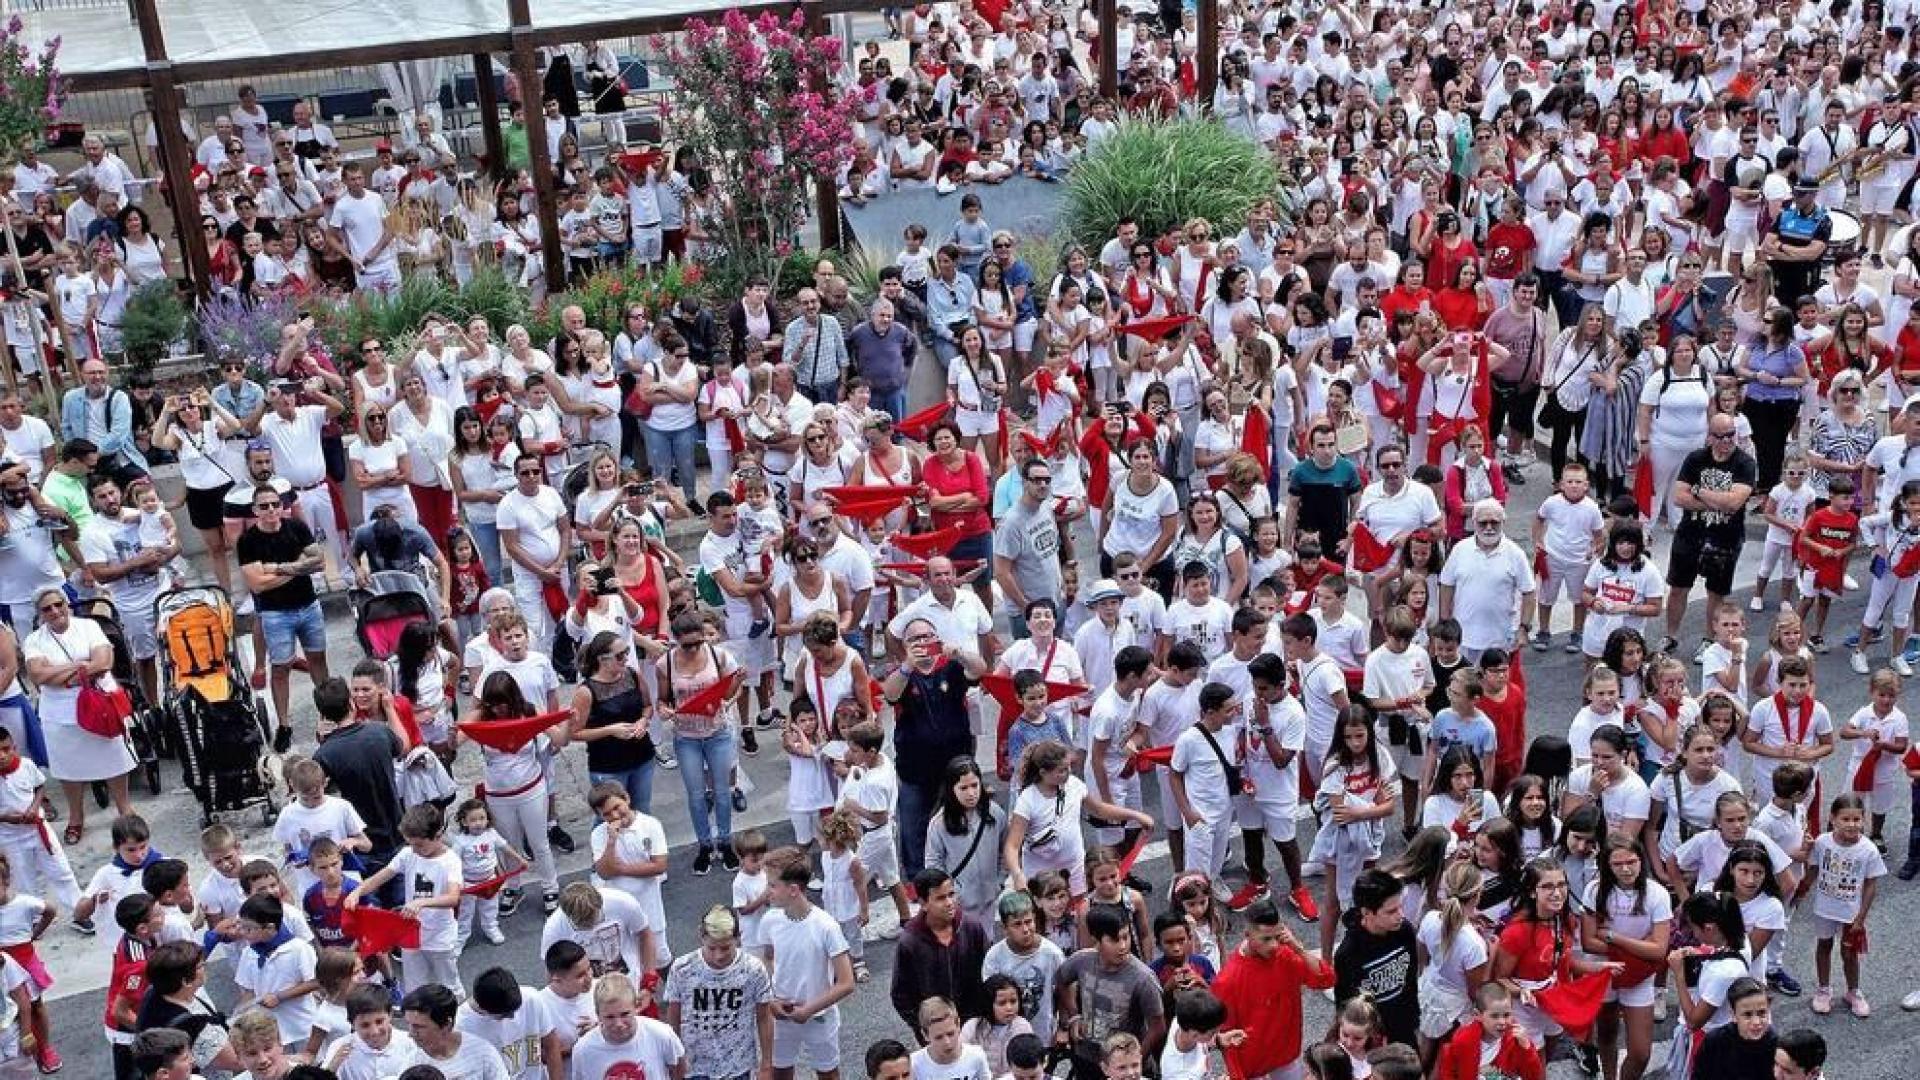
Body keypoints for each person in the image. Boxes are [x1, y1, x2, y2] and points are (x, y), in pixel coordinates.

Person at [20, 586, 134, 843]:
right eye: (47, 609)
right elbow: (37, 675)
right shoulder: (34, 640)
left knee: (115, 759)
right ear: (39, 614)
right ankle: (76, 817)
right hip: (60, 711)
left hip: (100, 702)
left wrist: (61, 675)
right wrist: (80, 666)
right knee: (68, 768)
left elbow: (103, 663)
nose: (55, 611)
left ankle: (125, 810)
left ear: (67, 604)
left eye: (58, 604)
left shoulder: (89, 627)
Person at [238, 483, 330, 747]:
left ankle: (328, 714)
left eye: (275, 504)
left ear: (282, 506)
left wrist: (277, 568)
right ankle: (284, 724)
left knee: (318, 660)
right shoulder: (248, 541)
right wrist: (299, 567)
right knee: (280, 668)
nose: (271, 510)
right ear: (255, 510)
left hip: (308, 605)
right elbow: (258, 585)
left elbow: (320, 562)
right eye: (264, 506)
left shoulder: (297, 527)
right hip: (275, 613)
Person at [1661, 413, 1758, 658]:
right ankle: (1670, 636)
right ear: (1710, 436)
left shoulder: (1745, 463)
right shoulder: (1695, 458)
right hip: (1690, 532)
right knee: (1678, 587)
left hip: (1726, 537)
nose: (1726, 441)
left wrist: (1699, 491)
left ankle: (1709, 639)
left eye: (1730, 435)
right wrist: (1717, 502)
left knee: (1716, 592)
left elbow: (1734, 504)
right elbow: (1678, 497)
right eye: (1720, 436)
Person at [1211, 895, 1334, 1080]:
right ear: (1247, 934)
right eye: (1266, 939)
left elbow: (1326, 979)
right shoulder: (1227, 981)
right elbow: (1228, 1037)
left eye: (1277, 937)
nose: (1274, 945)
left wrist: (1298, 948)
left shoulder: (1286, 955)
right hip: (1252, 1066)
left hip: (1286, 1057)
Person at [662, 905, 774, 1080]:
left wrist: (766, 1064)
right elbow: (673, 1016)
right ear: (701, 936)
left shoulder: (753, 969)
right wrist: (674, 1059)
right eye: (712, 948)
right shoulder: (682, 968)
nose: (718, 956)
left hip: (738, 1065)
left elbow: (764, 1017)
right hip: (695, 1066)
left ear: (738, 938)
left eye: (725, 948)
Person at [890, 868, 990, 1034]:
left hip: (974, 1025)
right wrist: (922, 1026)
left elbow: (988, 973)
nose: (950, 902)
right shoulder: (910, 941)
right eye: (941, 898)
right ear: (923, 903)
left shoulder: (972, 928)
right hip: (935, 1031)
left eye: (951, 894)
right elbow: (901, 994)